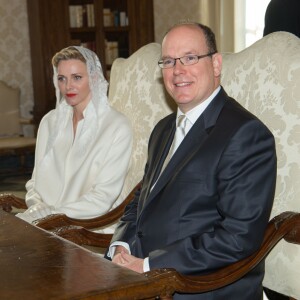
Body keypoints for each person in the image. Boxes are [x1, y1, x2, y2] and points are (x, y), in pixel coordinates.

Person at [106, 22, 277, 299]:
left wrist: (150, 266)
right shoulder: (163, 129)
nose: (178, 70)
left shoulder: (245, 134)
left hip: (200, 286)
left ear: (216, 64)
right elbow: (141, 199)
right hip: (143, 275)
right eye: (169, 61)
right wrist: (121, 245)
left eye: (190, 58)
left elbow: (238, 236)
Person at [16, 46, 132, 224]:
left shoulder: (116, 126)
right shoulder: (49, 122)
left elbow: (102, 198)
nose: (68, 86)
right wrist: (37, 209)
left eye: (77, 77)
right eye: (62, 78)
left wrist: (53, 215)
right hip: (43, 222)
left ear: (94, 78)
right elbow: (34, 184)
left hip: (89, 226)